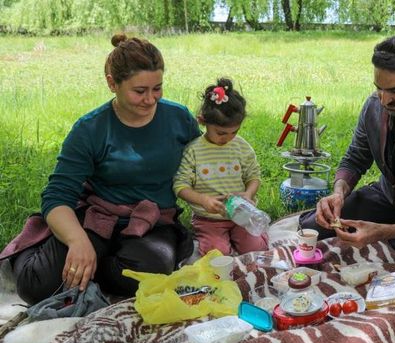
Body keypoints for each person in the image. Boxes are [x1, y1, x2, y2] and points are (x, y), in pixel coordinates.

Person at [2, 34, 201, 305]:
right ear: (112, 83)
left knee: (148, 275)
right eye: (139, 91)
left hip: (152, 222)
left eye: (157, 88)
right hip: (98, 218)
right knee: (37, 286)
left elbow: (204, 165)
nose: (150, 99)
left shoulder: (179, 118)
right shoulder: (90, 129)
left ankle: (98, 263)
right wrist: (77, 242)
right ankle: (37, 247)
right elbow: (57, 197)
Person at [299, 35, 395, 264]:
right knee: (315, 225)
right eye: (378, 89)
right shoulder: (373, 106)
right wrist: (338, 193)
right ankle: (394, 238)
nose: (384, 100)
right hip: (385, 198)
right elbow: (355, 158)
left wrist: (383, 232)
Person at [173, 78, 268, 256]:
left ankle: (247, 238)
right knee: (217, 253)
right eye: (221, 133)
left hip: (241, 215)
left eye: (235, 132)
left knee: (256, 249)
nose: (228, 138)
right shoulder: (194, 151)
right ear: (202, 121)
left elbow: (253, 176)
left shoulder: (241, 147)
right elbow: (180, 186)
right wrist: (204, 200)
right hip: (209, 219)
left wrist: (248, 194)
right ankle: (218, 242)